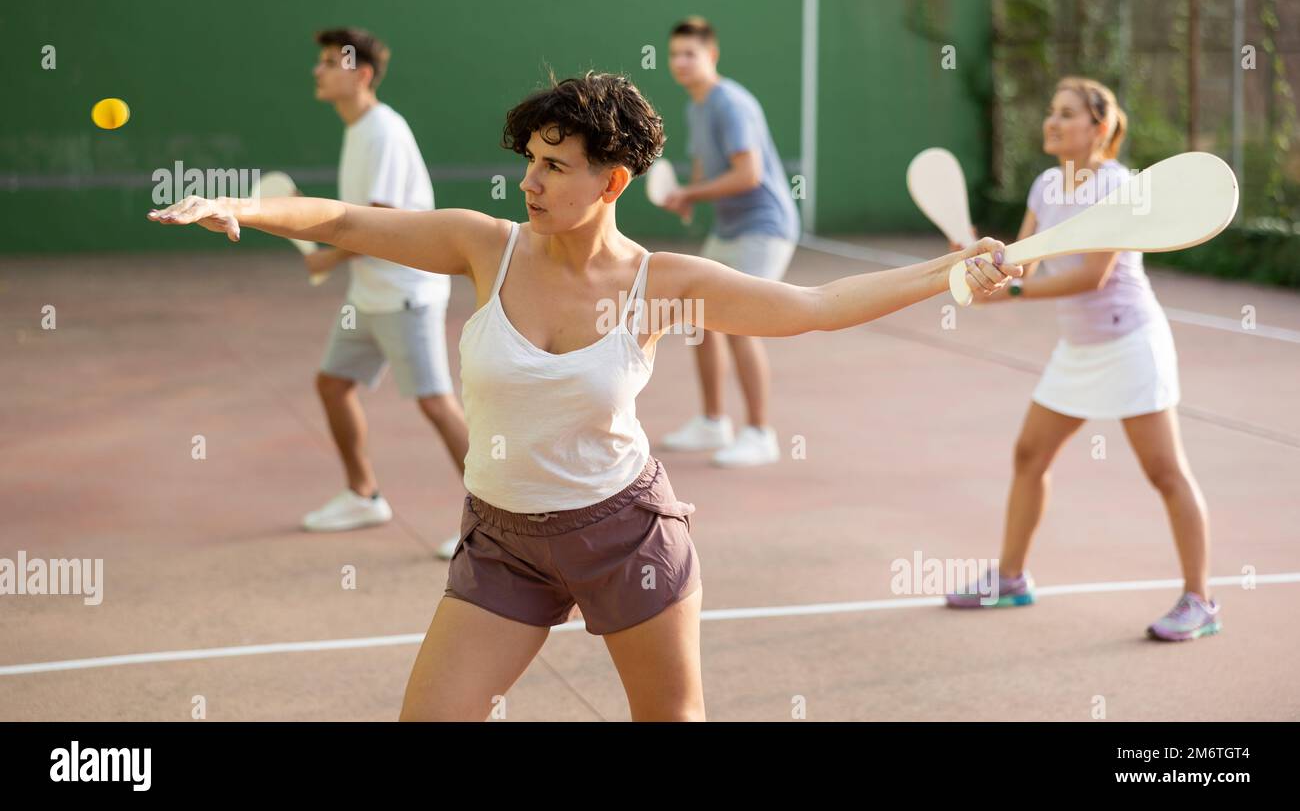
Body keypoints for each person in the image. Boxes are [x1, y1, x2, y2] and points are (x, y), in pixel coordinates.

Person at [148, 71, 1019, 720]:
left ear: (612, 181)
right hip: (502, 543)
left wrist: (949, 269)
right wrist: (244, 209)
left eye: (556, 166)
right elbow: (343, 221)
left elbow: (817, 308)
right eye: (530, 161)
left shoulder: (659, 283)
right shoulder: (484, 248)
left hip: (624, 537)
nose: (530, 181)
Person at [945, 77, 1219, 642]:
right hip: (1078, 349)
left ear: (1098, 128)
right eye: (1050, 111)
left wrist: (1012, 291)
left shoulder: (1119, 186)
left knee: (1165, 473)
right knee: (1029, 455)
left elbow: (1092, 277)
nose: (1052, 121)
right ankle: (1011, 579)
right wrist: (988, 262)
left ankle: (1201, 600)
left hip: (1130, 343)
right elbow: (1026, 264)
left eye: (1066, 114)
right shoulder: (1046, 184)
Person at [302, 27, 468, 556]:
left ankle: (497, 523)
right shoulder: (357, 129)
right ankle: (363, 495)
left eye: (331, 62)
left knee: (437, 404)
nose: (318, 70)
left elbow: (383, 220)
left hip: (406, 293)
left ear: (362, 75)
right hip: (369, 294)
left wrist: (328, 252)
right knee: (332, 384)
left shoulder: (383, 131)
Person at [655, 17, 802, 467]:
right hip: (730, 228)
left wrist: (690, 193)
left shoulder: (730, 103)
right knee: (697, 318)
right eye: (675, 54)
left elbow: (748, 174)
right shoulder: (695, 107)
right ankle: (713, 422)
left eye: (690, 54)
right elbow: (705, 172)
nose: (681, 62)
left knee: (739, 323)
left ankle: (761, 433)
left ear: (711, 56)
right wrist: (688, 197)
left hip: (765, 226)